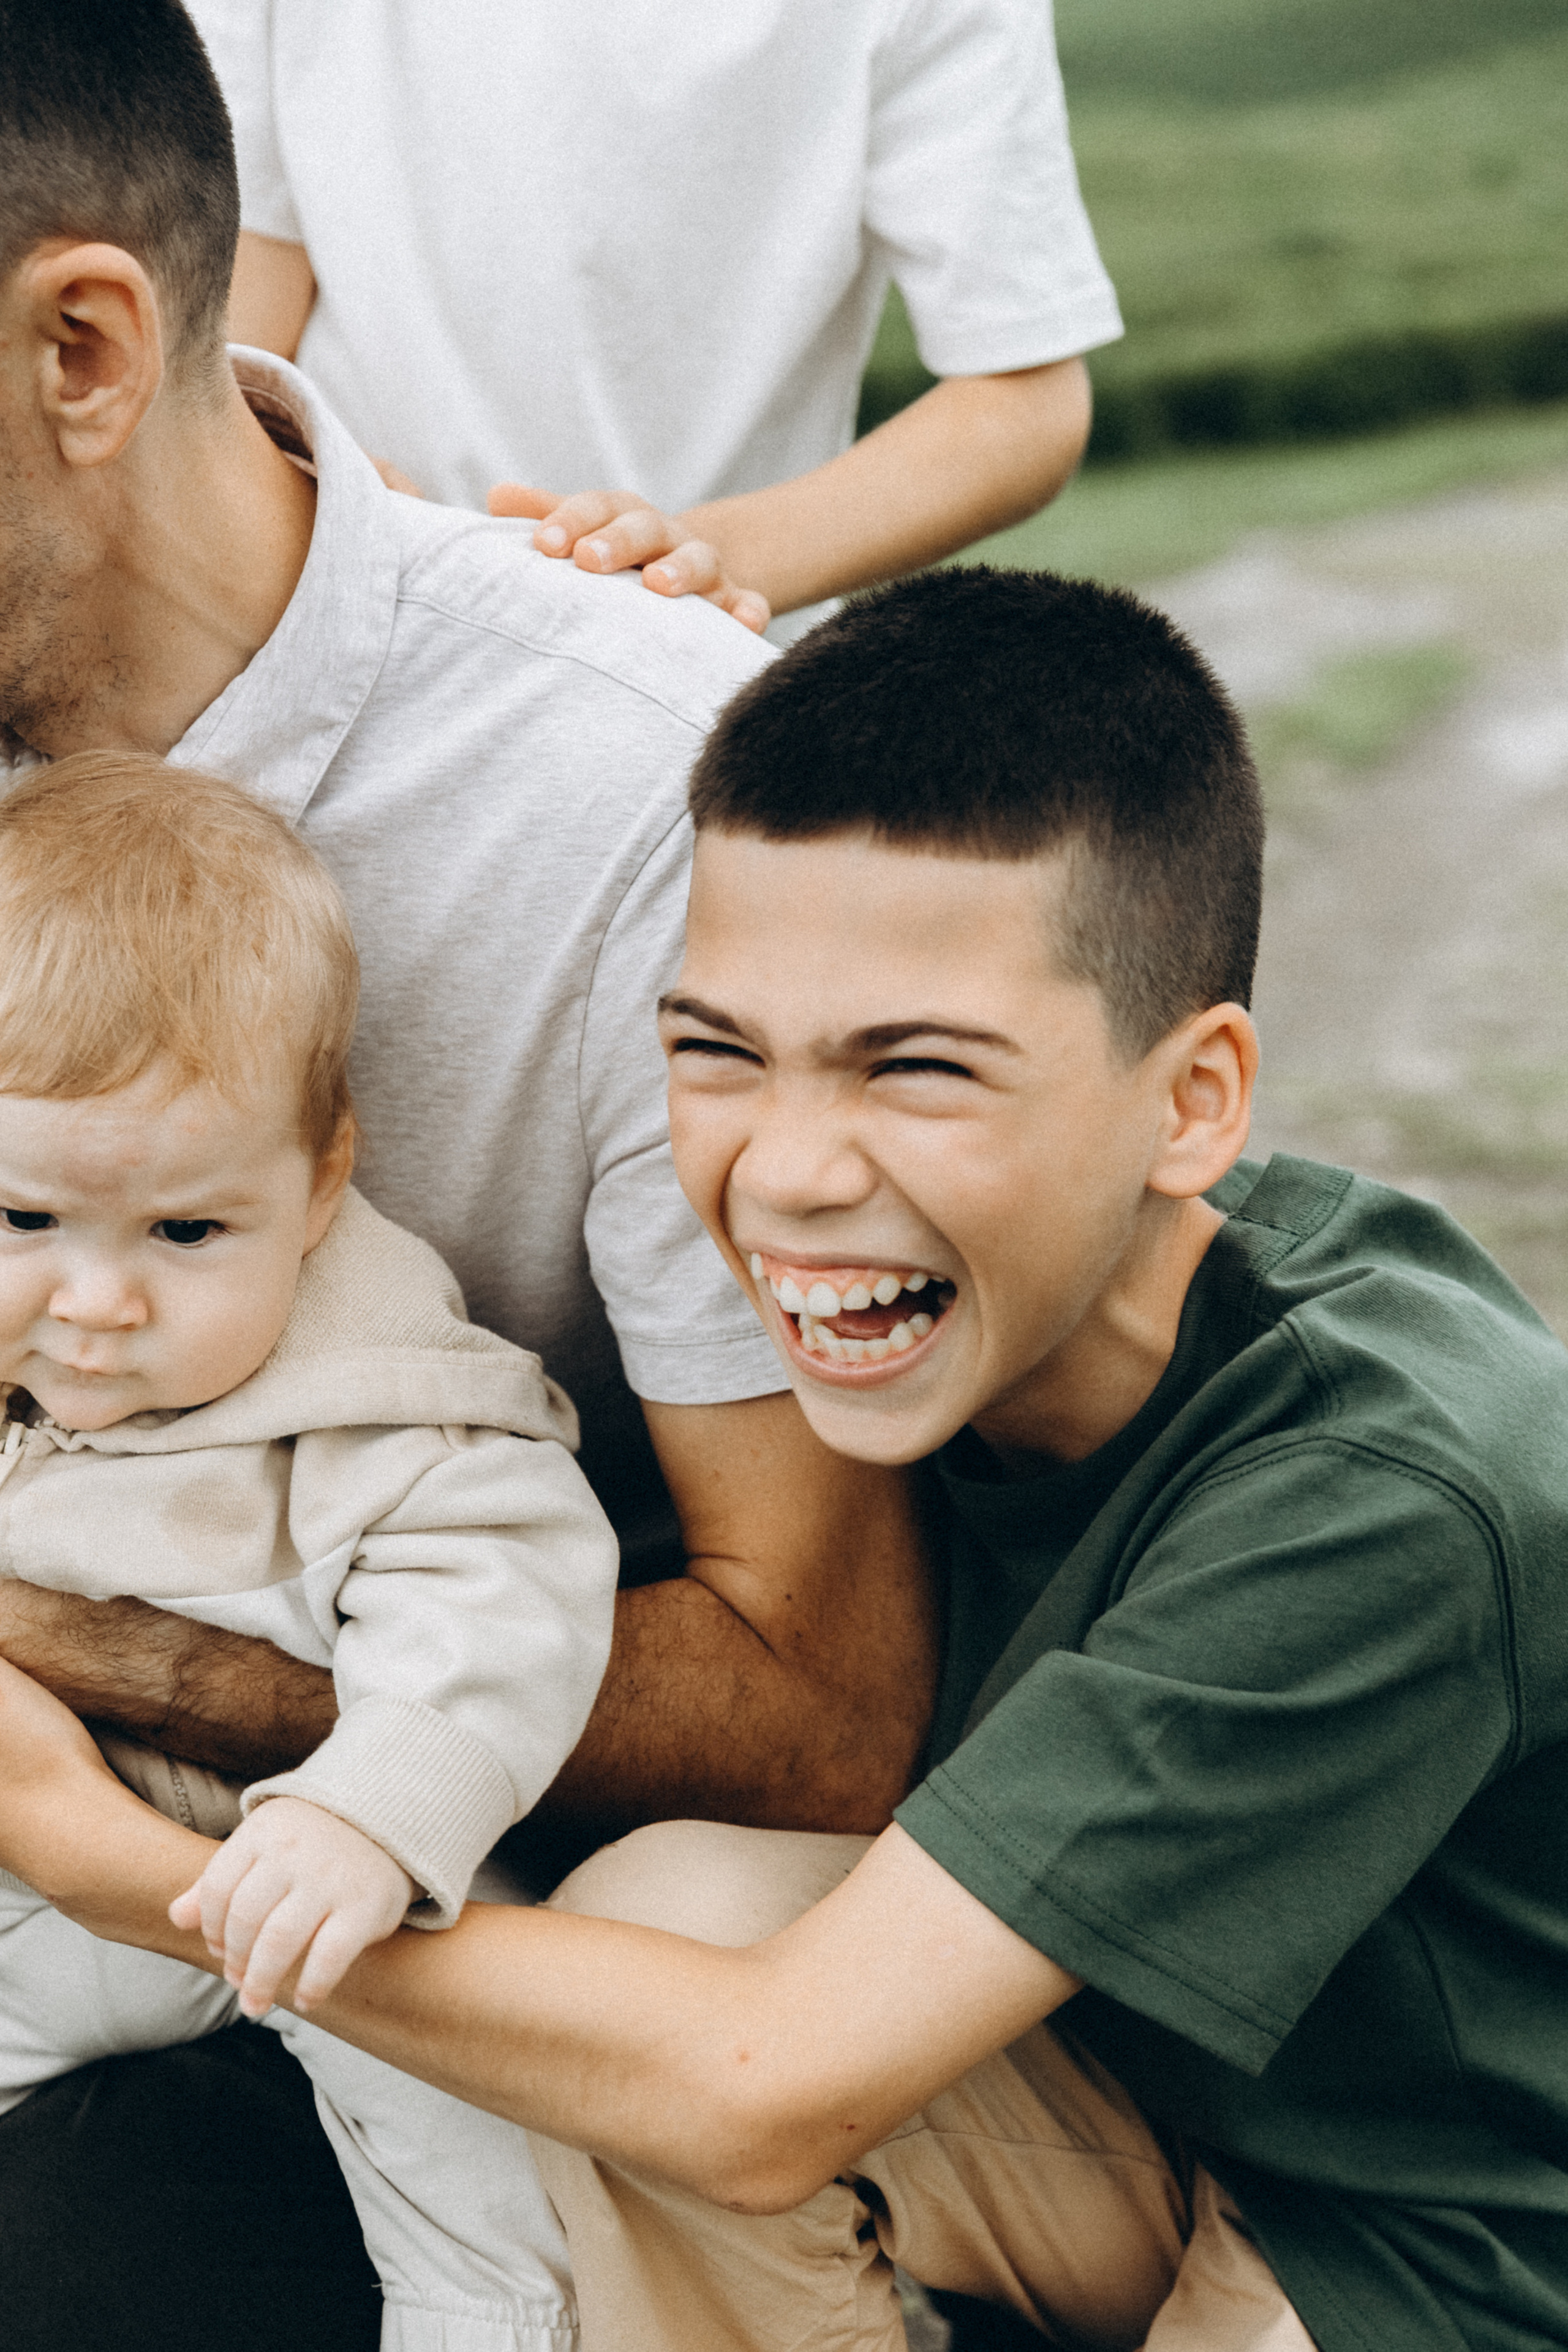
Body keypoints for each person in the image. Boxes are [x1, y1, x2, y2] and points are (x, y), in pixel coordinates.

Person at [5, 565, 1566, 2352]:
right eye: (717, 1052)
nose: (789, 1172)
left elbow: (761, 2094)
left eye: (915, 1070)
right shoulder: (966, 1311)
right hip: (1112, 2095)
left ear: (1193, 1103)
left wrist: (105, 1856)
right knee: (667, 1927)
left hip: (1422, 2239)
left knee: (693, 2047)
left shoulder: (1379, 1494)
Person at [0, 8, 934, 2346]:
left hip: (420, 1916)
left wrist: (92, 1671)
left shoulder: (639, 804)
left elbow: (824, 1698)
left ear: (81, 348)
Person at [0, 752, 623, 2343]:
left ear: (321, 1178)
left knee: (467, 2165)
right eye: (26, 1225)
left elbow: (507, 1608)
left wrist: (366, 1819)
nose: (95, 1301)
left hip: (298, 1895)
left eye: (187, 1233)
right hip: (36, 1924)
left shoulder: (381, 1400)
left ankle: (495, 2322)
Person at [189, 0, 1122, 639]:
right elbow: (242, 309)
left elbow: (1022, 399)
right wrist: (302, 481)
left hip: (704, 706)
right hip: (349, 636)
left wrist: (706, 560)